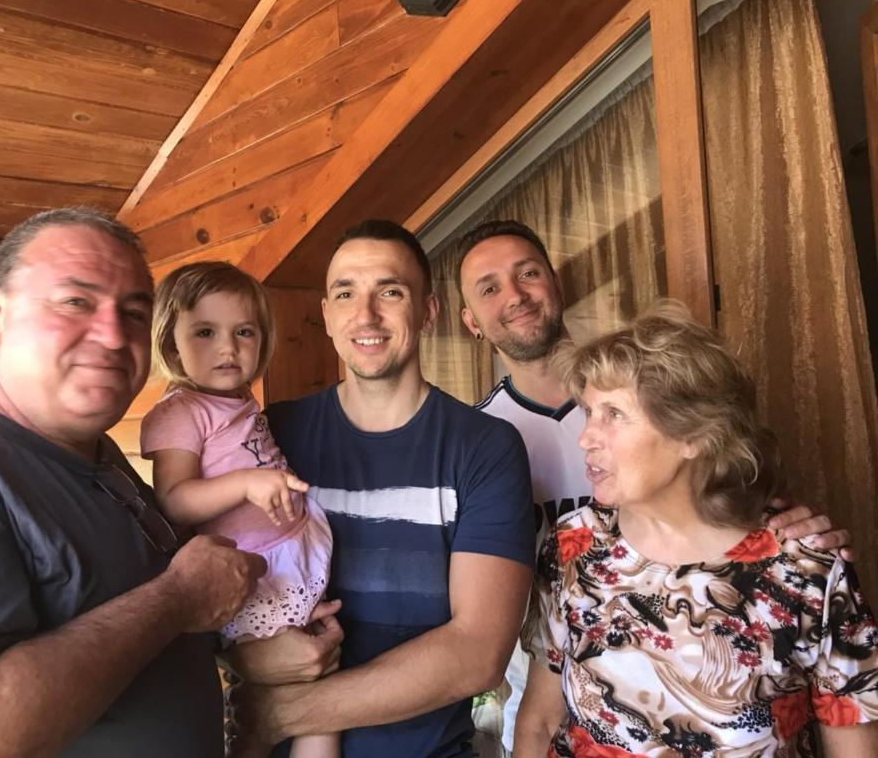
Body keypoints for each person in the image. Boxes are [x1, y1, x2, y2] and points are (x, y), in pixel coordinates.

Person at [0, 208, 266, 757]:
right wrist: (177, 598)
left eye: (134, 312)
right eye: (75, 302)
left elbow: (152, 629)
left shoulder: (98, 455)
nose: (114, 335)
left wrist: (253, 658)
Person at [454, 219, 854, 756]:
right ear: (470, 322)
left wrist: (793, 543)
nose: (515, 295)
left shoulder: (652, 390)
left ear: (555, 283)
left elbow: (730, 501)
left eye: (527, 273)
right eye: (489, 287)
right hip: (553, 677)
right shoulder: (475, 444)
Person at [227, 219, 536, 757]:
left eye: (390, 292)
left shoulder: (485, 447)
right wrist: (244, 659)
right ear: (327, 315)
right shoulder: (271, 436)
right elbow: (214, 595)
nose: (365, 315)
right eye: (346, 293)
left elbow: (478, 652)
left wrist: (283, 712)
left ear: (428, 311)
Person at [517, 302, 878, 756]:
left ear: (693, 434)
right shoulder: (574, 547)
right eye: (589, 411)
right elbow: (541, 720)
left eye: (614, 414)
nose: (586, 437)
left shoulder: (807, 573)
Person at [140, 262, 337, 758]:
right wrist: (246, 484)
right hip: (254, 569)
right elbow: (174, 500)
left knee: (320, 693)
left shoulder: (238, 397)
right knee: (268, 703)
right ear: (172, 347)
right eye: (205, 332)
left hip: (291, 551)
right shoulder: (180, 411)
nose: (228, 348)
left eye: (243, 332)